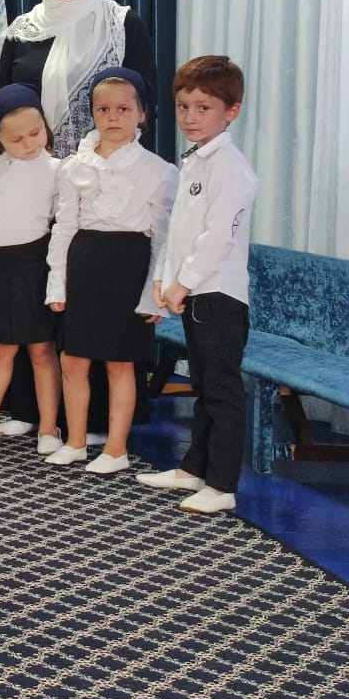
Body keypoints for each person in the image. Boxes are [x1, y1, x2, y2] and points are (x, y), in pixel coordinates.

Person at [0, 0, 159, 442]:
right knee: (32, 301)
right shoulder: (22, 31)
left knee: (90, 300)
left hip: (99, 191)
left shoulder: (121, 24)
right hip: (30, 186)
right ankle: (29, 410)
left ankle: (94, 423)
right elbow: (1, 107)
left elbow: (144, 101)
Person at [44, 68, 177, 473]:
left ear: (142, 115)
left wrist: (153, 295)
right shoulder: (73, 167)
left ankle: (116, 449)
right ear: (92, 114)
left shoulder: (160, 171)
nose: (113, 117)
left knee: (121, 362)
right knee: (73, 360)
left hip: (129, 267)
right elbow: (64, 227)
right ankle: (76, 441)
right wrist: (57, 284)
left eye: (123, 109)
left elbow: (163, 238)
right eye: (103, 109)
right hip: (85, 264)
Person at [140, 56, 257, 515]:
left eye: (204, 107)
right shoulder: (197, 160)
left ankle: (222, 485)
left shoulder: (229, 166)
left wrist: (183, 283)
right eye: (183, 106)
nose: (190, 116)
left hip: (217, 295)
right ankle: (194, 468)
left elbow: (218, 237)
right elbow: (180, 230)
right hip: (194, 293)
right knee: (204, 385)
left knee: (221, 391)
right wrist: (163, 279)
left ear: (232, 112)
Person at [0, 84, 65, 455]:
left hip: (34, 266)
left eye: (35, 133)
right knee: (2, 347)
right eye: (16, 139)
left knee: (42, 350)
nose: (28, 143)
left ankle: (49, 426)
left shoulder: (57, 170)